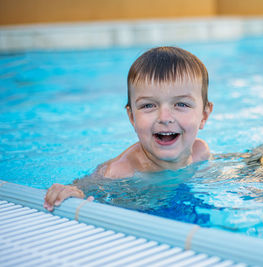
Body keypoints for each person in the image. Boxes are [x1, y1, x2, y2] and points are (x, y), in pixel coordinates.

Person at [44, 46, 213, 212]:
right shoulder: (120, 173)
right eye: (148, 105)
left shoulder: (200, 152)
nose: (164, 118)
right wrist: (71, 192)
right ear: (132, 117)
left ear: (204, 116)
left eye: (181, 104)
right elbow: (83, 189)